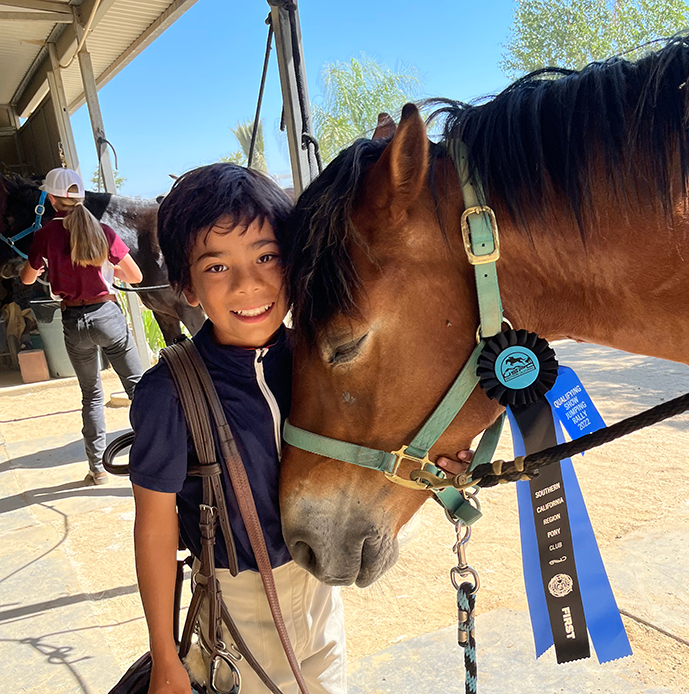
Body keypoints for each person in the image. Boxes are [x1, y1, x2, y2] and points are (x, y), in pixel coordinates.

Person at [129, 163, 470, 694]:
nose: (249, 284)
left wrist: (434, 464)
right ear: (185, 288)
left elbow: (374, 438)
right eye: (217, 267)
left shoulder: (319, 356)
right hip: (236, 605)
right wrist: (164, 658)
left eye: (267, 256)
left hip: (317, 592)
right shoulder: (168, 393)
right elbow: (154, 527)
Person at [20, 167, 143, 485]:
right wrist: (105, 271)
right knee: (139, 391)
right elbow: (135, 276)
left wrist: (48, 267)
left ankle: (98, 469)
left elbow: (26, 278)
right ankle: (155, 455)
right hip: (107, 315)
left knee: (91, 395)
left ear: (50, 198)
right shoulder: (102, 230)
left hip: (74, 322)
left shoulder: (45, 235)